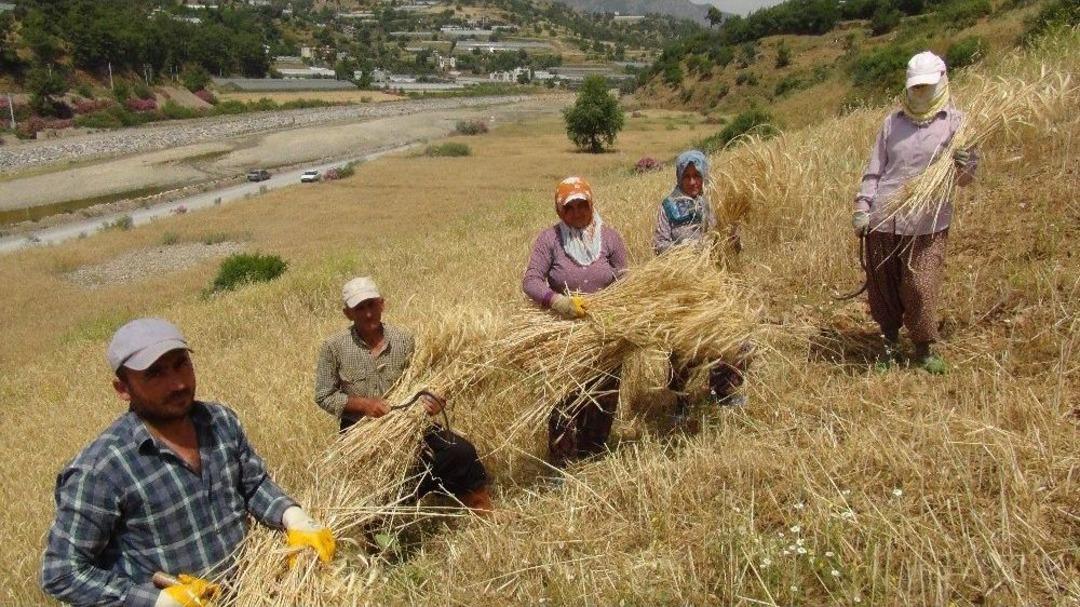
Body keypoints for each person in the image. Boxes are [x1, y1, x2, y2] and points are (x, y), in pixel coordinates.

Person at [41, 318, 333, 607]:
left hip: (250, 594)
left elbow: (253, 485)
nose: (178, 383)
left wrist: (294, 517)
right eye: (155, 374)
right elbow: (62, 573)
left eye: (181, 364)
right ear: (123, 389)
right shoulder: (101, 469)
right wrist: (156, 601)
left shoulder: (220, 422)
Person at [314, 276, 492, 512]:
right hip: (361, 430)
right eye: (360, 308)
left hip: (408, 422)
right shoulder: (333, 347)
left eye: (372, 305)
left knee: (460, 451)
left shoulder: (403, 339)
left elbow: (426, 382)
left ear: (382, 304)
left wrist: (436, 400)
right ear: (348, 313)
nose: (368, 314)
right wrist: (364, 405)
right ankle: (380, 532)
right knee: (373, 488)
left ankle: (481, 507)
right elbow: (324, 395)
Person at [852, 51, 978, 374]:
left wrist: (967, 165)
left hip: (927, 222)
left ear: (941, 82)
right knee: (883, 286)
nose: (920, 93)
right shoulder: (892, 124)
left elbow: (965, 180)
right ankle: (889, 344)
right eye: (915, 87)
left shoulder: (956, 123)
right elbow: (875, 171)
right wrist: (863, 207)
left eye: (926, 86)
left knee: (920, 285)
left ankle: (923, 348)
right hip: (885, 219)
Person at [522, 176, 629, 467]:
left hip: (603, 328)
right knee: (564, 397)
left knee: (603, 393)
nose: (578, 212)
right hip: (564, 331)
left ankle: (593, 454)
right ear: (560, 211)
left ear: (592, 205)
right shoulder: (550, 240)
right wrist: (557, 302)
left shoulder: (610, 238)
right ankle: (562, 464)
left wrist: (617, 307)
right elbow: (530, 281)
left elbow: (626, 278)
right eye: (571, 208)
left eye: (583, 205)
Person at [653, 150, 750, 419]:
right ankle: (681, 401)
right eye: (687, 176)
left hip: (714, 282)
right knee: (685, 344)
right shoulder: (668, 206)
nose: (693, 182)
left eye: (698, 176)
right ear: (679, 177)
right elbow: (659, 245)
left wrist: (731, 242)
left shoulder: (713, 204)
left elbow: (731, 247)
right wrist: (689, 252)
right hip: (684, 284)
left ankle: (725, 392)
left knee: (725, 336)